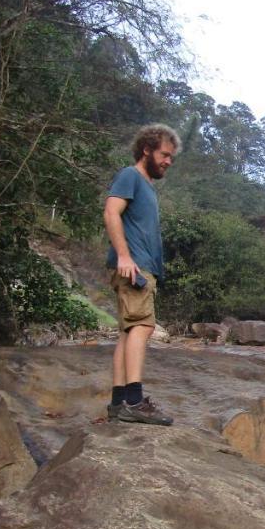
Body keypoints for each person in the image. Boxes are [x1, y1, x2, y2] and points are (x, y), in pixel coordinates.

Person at [103, 123, 179, 425]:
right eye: (164, 154)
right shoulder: (130, 176)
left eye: (171, 157)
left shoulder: (146, 185)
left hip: (141, 266)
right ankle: (134, 402)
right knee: (143, 326)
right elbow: (111, 212)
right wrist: (124, 255)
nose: (168, 161)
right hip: (134, 267)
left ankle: (119, 402)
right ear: (146, 149)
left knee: (128, 331)